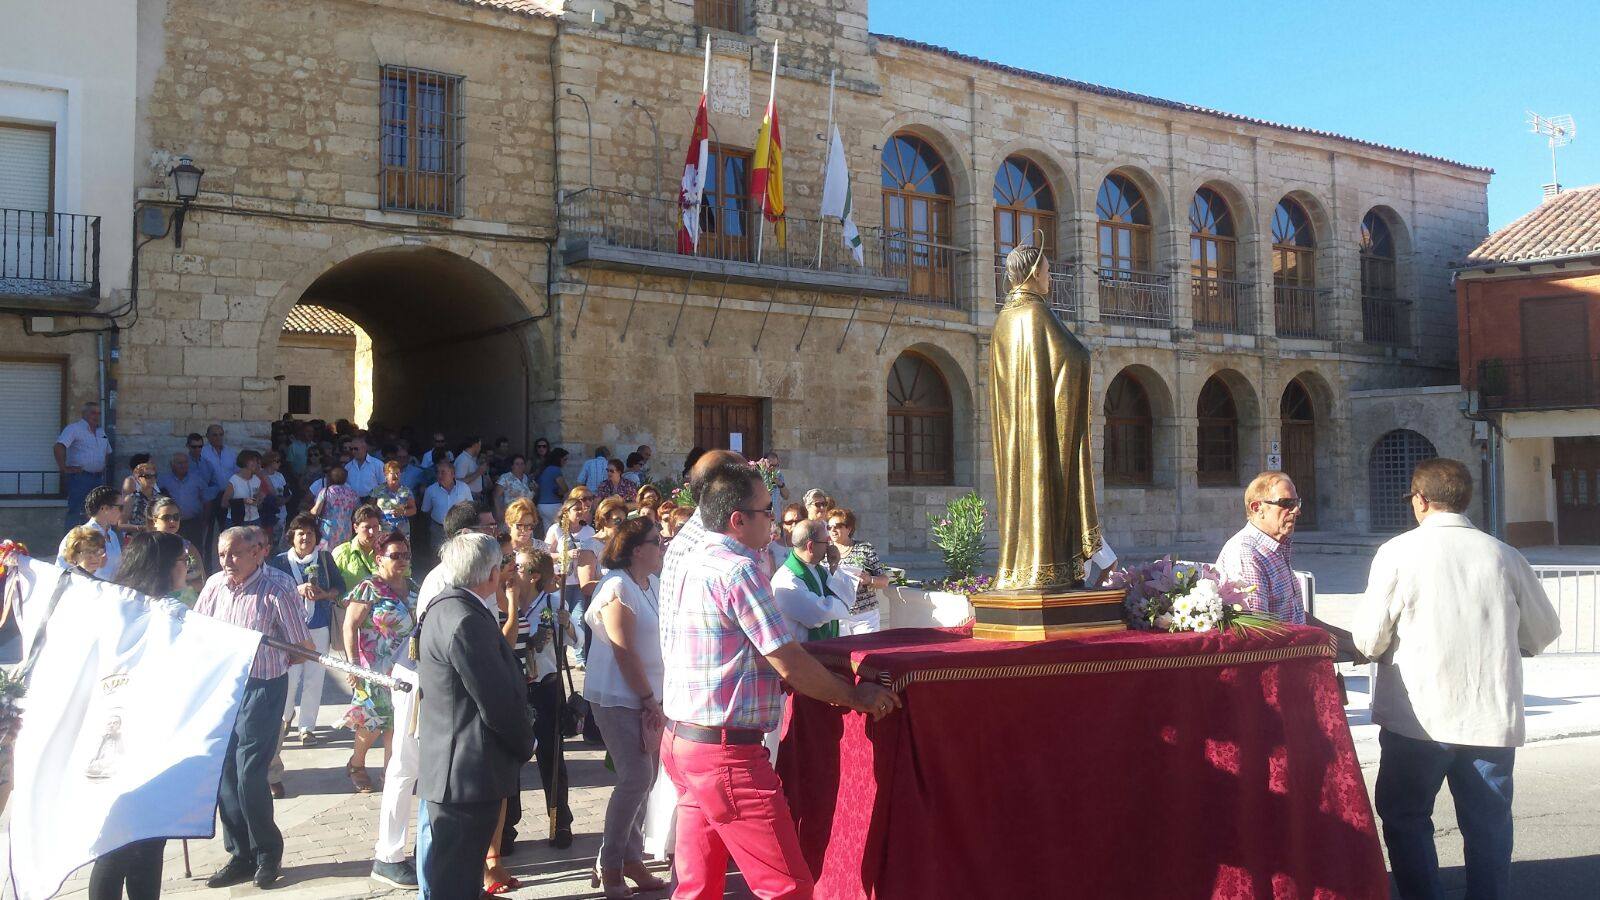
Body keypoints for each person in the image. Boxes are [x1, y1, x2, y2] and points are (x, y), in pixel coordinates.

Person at [659, 461, 900, 898]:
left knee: (696, 888)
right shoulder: (738, 569)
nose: (774, 521)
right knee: (788, 887)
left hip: (684, 740)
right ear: (738, 520)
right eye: (766, 511)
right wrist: (855, 697)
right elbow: (787, 659)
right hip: (725, 753)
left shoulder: (690, 557)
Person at [1354, 458, 1562, 900]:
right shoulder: (1503, 554)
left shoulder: (1398, 553)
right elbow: (1543, 631)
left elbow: (1369, 639)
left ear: (1420, 500)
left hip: (1418, 719)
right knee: (1488, 825)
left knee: (1407, 817)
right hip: (1490, 717)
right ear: (1465, 500)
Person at [370, 501, 487, 890]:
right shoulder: (445, 578)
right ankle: (389, 855)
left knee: (422, 769)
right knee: (406, 767)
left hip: (430, 679)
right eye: (487, 530)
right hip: (419, 680)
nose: (494, 536)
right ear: (466, 536)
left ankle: (425, 853)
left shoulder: (448, 575)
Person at [417, 532, 535, 900]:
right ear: (491, 573)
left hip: (453, 768)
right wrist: (526, 742)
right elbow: (496, 700)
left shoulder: (445, 606)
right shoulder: (464, 618)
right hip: (466, 772)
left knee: (454, 875)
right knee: (455, 881)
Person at [196, 526, 313, 890]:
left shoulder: (277, 587)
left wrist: (271, 661)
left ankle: (267, 852)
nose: (227, 561)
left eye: (234, 554)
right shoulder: (214, 585)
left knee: (249, 772)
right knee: (225, 773)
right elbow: (198, 634)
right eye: (222, 554)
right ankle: (240, 854)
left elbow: (302, 648)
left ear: (256, 553)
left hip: (262, 687)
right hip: (223, 688)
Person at [88, 531, 188, 900]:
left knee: (150, 841)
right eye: (183, 561)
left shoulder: (167, 610)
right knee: (117, 844)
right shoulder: (126, 610)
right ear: (163, 567)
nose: (187, 568)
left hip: (159, 740)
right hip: (122, 739)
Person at [584, 518, 669, 897]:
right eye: (656, 541)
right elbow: (624, 651)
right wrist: (649, 699)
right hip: (619, 697)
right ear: (637, 550)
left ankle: (632, 859)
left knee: (647, 780)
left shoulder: (651, 583)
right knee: (635, 778)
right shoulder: (617, 586)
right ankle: (611, 862)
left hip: (651, 696)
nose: (662, 547)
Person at [342, 532, 417, 794]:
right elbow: (349, 625)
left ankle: (390, 772)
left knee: (397, 722)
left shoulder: (413, 586)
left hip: (406, 667)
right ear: (379, 559)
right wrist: (353, 664)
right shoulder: (369, 587)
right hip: (373, 667)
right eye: (395, 555)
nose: (402, 560)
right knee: (371, 721)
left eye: (406, 555)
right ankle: (356, 764)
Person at [518, 550, 577, 850]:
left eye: (518, 566)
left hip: (545, 687)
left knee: (551, 759)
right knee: (511, 759)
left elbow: (576, 640)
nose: (511, 569)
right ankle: (505, 831)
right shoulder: (505, 601)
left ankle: (559, 822)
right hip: (515, 689)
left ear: (534, 576)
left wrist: (567, 624)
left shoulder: (553, 603)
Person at [271, 515, 345, 746]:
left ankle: (307, 728)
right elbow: (270, 591)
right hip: (289, 629)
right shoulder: (279, 562)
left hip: (319, 625)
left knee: (314, 678)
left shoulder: (324, 558)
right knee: (290, 678)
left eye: (310, 533)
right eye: (300, 533)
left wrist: (325, 594)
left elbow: (340, 586)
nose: (305, 537)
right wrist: (297, 590)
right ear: (291, 536)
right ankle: (285, 717)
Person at [771, 520, 853, 642]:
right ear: (810, 546)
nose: (830, 547)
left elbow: (850, 595)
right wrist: (842, 600)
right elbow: (820, 615)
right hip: (802, 651)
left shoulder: (820, 570)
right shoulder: (787, 580)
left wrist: (834, 565)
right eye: (826, 542)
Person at [545, 495, 600, 666]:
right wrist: (565, 554)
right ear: (566, 512)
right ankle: (560, 657)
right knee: (559, 618)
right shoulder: (556, 530)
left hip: (579, 582)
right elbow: (545, 554)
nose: (580, 512)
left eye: (582, 509)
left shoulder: (589, 531)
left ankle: (580, 658)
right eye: (576, 509)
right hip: (560, 581)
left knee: (579, 617)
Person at [828, 508, 891, 635]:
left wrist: (869, 580)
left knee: (866, 648)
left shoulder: (864, 549)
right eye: (829, 527)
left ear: (849, 528)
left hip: (865, 615)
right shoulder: (824, 551)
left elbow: (884, 581)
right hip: (837, 615)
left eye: (838, 526)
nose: (833, 530)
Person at [54, 401, 111, 531]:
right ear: (84, 414)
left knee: (96, 512)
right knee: (76, 511)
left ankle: (91, 541)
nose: (96, 416)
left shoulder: (101, 431)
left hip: (98, 478)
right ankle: (71, 542)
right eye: (93, 413)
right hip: (80, 477)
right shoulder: (74, 429)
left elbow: (107, 451)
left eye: (98, 413)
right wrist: (64, 468)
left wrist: (101, 466)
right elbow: (58, 447)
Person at [57, 485, 124, 579]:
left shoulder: (112, 535)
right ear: (104, 508)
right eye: (120, 508)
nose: (122, 512)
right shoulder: (79, 536)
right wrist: (93, 568)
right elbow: (62, 570)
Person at [149, 497, 206, 606]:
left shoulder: (188, 547)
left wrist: (180, 584)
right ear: (155, 521)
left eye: (176, 517)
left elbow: (202, 581)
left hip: (185, 603)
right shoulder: (148, 546)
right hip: (155, 603)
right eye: (166, 517)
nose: (172, 521)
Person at [158, 451, 209, 550]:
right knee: (174, 549)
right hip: (172, 522)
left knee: (195, 549)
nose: (183, 465)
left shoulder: (197, 479)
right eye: (180, 463)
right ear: (172, 465)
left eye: (185, 462)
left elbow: (206, 499)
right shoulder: (163, 480)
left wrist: (205, 519)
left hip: (193, 522)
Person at [333, 505, 384, 596]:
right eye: (367, 527)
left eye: (375, 526)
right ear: (355, 528)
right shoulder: (342, 552)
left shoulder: (385, 552)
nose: (372, 532)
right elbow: (331, 586)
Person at [423, 461, 474, 547]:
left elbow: (471, 507)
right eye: (438, 472)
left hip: (459, 530)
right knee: (438, 553)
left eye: (443, 472)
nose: (439, 475)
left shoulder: (464, 488)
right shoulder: (430, 490)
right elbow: (426, 510)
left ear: (453, 474)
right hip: (438, 530)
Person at [311, 465, 359, 551]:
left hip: (328, 530)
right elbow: (357, 510)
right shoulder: (352, 493)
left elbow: (316, 511)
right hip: (346, 529)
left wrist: (309, 512)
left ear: (330, 478)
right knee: (343, 552)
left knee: (326, 554)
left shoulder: (326, 492)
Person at [371, 460, 418, 540]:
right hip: (383, 530)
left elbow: (414, 510)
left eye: (398, 473)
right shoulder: (377, 490)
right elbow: (370, 508)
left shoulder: (406, 491)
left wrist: (402, 512)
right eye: (393, 473)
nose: (396, 476)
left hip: (402, 530)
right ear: (386, 474)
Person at [120, 457, 164, 536]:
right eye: (147, 476)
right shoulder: (131, 499)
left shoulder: (161, 499)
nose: (152, 479)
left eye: (154, 476)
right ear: (138, 478)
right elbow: (120, 525)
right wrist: (140, 528)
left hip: (157, 539)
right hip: (138, 539)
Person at [221, 450, 264, 529]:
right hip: (236, 521)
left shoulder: (257, 480)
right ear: (244, 462)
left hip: (255, 520)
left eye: (256, 461)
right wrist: (243, 501)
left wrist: (259, 500)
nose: (256, 463)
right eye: (253, 460)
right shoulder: (234, 480)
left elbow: (259, 504)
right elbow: (224, 503)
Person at [493, 454, 535, 521]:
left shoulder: (527, 478)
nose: (520, 466)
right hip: (511, 513)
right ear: (512, 466)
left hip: (526, 513)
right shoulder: (505, 478)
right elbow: (496, 496)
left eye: (522, 464)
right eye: (517, 464)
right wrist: (498, 511)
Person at [535, 448, 571, 525]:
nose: (566, 462)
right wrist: (560, 493)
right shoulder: (556, 470)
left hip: (542, 505)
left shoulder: (544, 469)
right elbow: (565, 488)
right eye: (564, 459)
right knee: (561, 528)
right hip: (553, 505)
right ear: (559, 459)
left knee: (548, 530)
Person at [454, 437, 487, 502]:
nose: (480, 449)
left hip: (474, 498)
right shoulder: (463, 459)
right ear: (475, 445)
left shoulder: (470, 459)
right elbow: (458, 482)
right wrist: (478, 472)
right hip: (467, 499)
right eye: (480, 446)